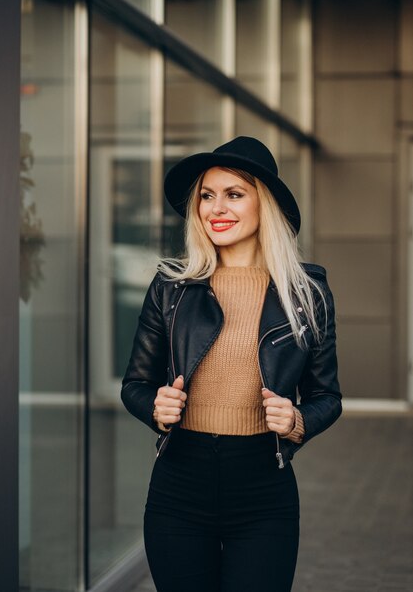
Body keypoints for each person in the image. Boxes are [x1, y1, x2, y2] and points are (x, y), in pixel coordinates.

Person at [121, 136, 342, 592]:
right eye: (207, 195)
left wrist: (298, 420)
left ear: (266, 205)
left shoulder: (307, 294)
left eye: (234, 194)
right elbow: (137, 383)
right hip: (179, 486)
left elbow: (327, 396)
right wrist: (154, 407)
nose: (215, 208)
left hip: (263, 490)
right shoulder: (171, 288)